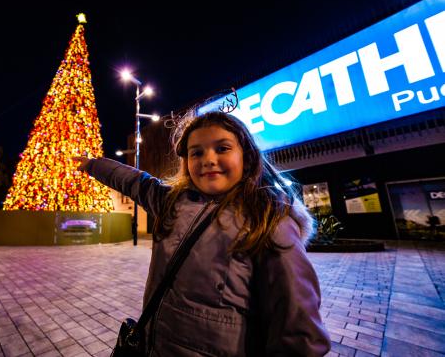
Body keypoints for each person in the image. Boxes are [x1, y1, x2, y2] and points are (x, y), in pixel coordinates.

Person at [74, 110, 331, 356]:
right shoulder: (172, 202)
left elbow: (299, 330)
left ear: (247, 157)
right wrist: (93, 165)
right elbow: (133, 181)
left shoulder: (267, 220)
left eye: (222, 148)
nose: (208, 159)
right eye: (196, 152)